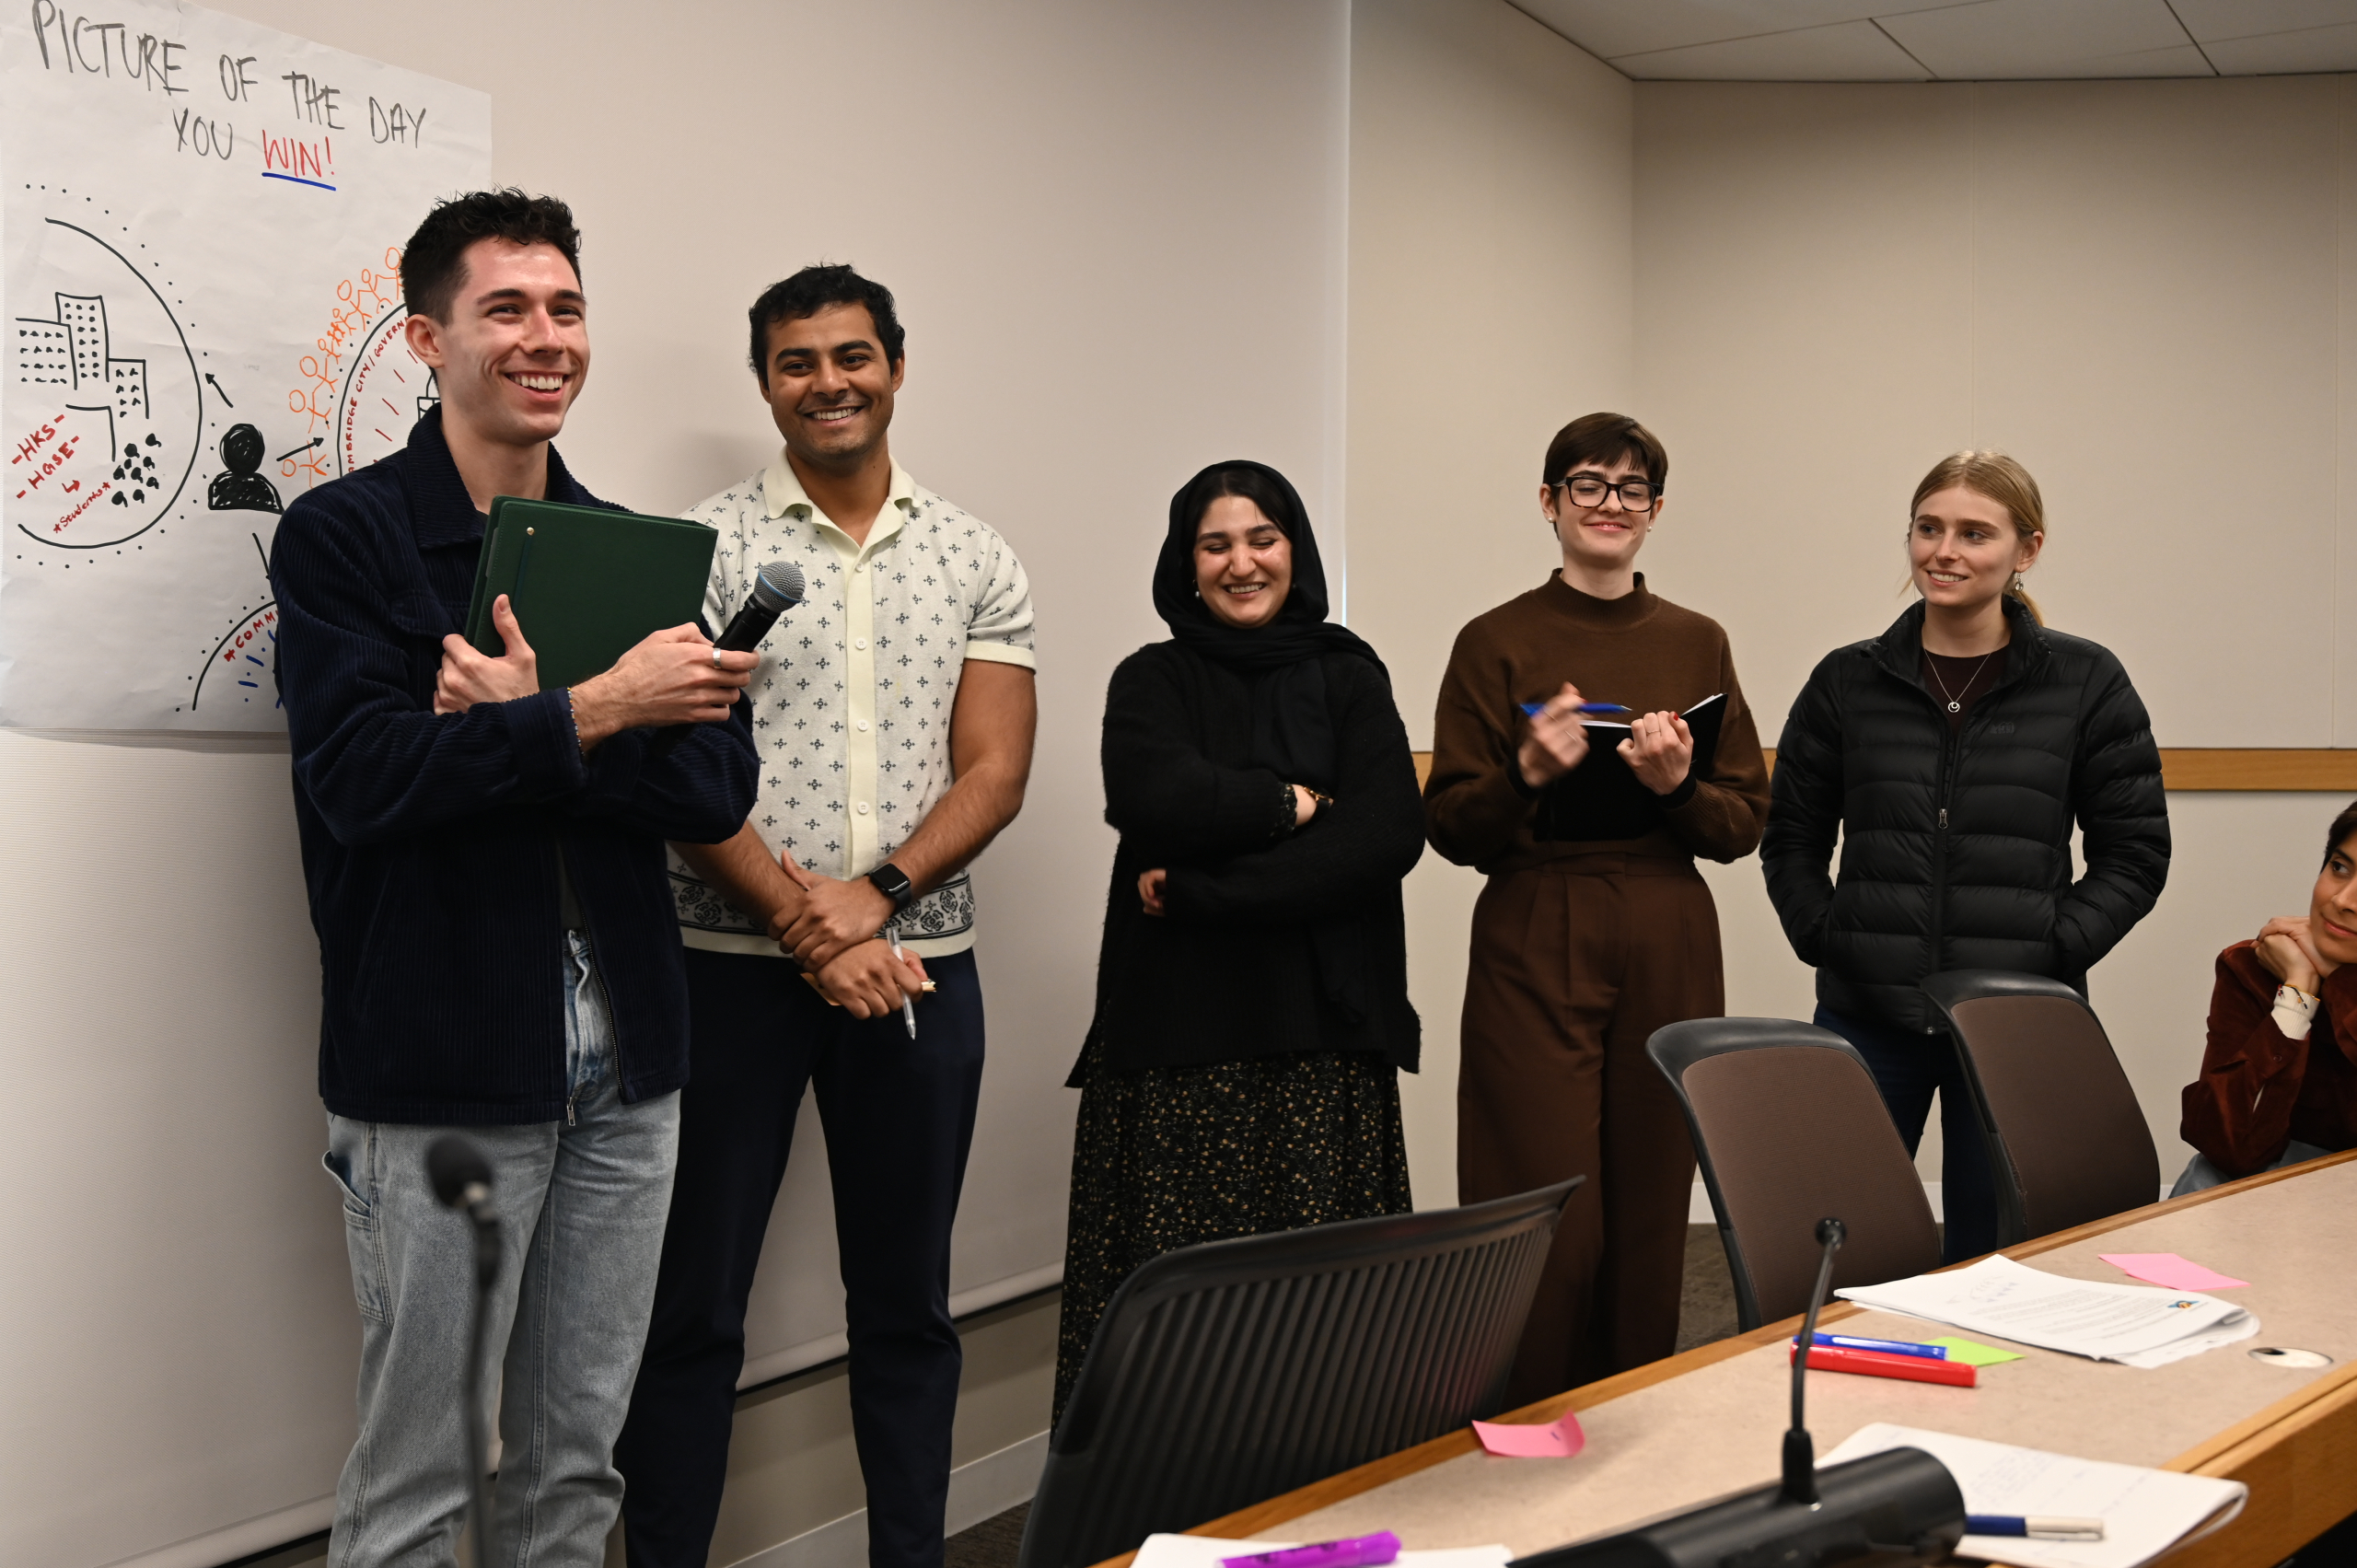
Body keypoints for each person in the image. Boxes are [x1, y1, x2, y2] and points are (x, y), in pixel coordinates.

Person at [272, 190, 760, 1566]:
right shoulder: (347, 538)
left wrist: (525, 724)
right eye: (507, 310)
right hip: (437, 1059)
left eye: (566, 308)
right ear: (429, 337)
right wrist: (604, 712)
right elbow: (365, 785)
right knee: (426, 1472)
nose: (546, 338)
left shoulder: (639, 550)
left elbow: (719, 788)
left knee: (572, 1465)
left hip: (630, 1062)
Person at [615, 265, 1037, 1568]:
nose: (828, 381)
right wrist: (808, 921)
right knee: (691, 1312)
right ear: (766, 385)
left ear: (897, 367)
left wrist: (874, 903)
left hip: (918, 972)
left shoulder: (975, 552)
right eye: (797, 362)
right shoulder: (704, 547)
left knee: (906, 1305)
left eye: (852, 355)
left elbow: (995, 770)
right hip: (725, 975)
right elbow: (669, 769)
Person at [1054, 459, 1423, 1422]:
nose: (1240, 561)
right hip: (1178, 1046)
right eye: (1214, 543)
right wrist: (1291, 802)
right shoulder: (1153, 676)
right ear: (1186, 561)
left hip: (1321, 1043)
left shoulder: (1349, 673)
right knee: (1183, 1332)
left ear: (1293, 549)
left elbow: (1383, 836)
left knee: (1323, 1327)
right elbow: (1150, 793)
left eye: (1261, 538)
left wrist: (1204, 891)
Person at [1426, 412, 1769, 1402]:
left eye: (1630, 490)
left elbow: (1741, 821)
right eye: (1587, 484)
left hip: (1667, 920)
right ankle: (1527, 1424)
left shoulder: (1697, 640)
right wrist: (1525, 773)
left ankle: (1634, 1419)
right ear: (1549, 502)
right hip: (1536, 917)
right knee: (1542, 1200)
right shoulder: (1493, 640)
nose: (1608, 504)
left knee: (1652, 1197)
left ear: (1654, 512)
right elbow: (1450, 826)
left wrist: (1672, 785)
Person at [1762, 449, 2169, 1261]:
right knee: (1841, 1245)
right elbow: (1793, 838)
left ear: (2027, 549)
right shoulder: (1848, 681)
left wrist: (2053, 948)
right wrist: (1828, 933)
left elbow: (2136, 853)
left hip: (2014, 1023)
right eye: (1929, 528)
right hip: (1868, 1013)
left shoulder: (2085, 681)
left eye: (1975, 533)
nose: (1945, 550)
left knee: (2001, 1255)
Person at [2177, 800, 2357, 1193]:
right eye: (2339, 868)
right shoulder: (2255, 967)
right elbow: (2231, 1146)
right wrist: (2297, 996)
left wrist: (2337, 981)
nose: (2343, 901)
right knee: (2205, 1181)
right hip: (2282, 1189)